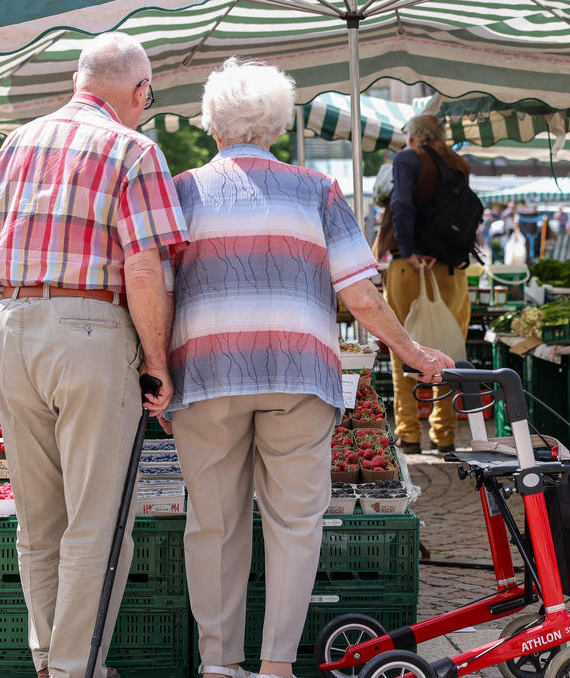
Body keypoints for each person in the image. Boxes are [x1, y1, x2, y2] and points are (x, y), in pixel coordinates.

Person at [163, 58, 453, 678]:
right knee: (296, 525)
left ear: (213, 125)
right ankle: (274, 668)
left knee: (213, 524)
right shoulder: (316, 191)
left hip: (208, 373)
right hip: (300, 374)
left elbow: (155, 291)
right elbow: (361, 295)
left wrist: (156, 374)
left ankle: (218, 666)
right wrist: (416, 355)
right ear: (275, 125)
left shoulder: (181, 191)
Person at [0, 32, 188, 678]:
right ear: (139, 91)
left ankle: (52, 660)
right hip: (89, 326)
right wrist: (158, 361)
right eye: (149, 94)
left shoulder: (15, 144)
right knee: (99, 519)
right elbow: (143, 268)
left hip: (11, 325)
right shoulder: (133, 149)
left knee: (38, 518)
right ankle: (72, 668)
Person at [375, 114, 472, 454]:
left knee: (403, 351)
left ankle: (409, 435)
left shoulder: (407, 158)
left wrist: (411, 248)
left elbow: (400, 204)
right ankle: (444, 437)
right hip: (450, 271)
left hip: (407, 267)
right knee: (447, 354)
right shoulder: (459, 162)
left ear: (413, 137)